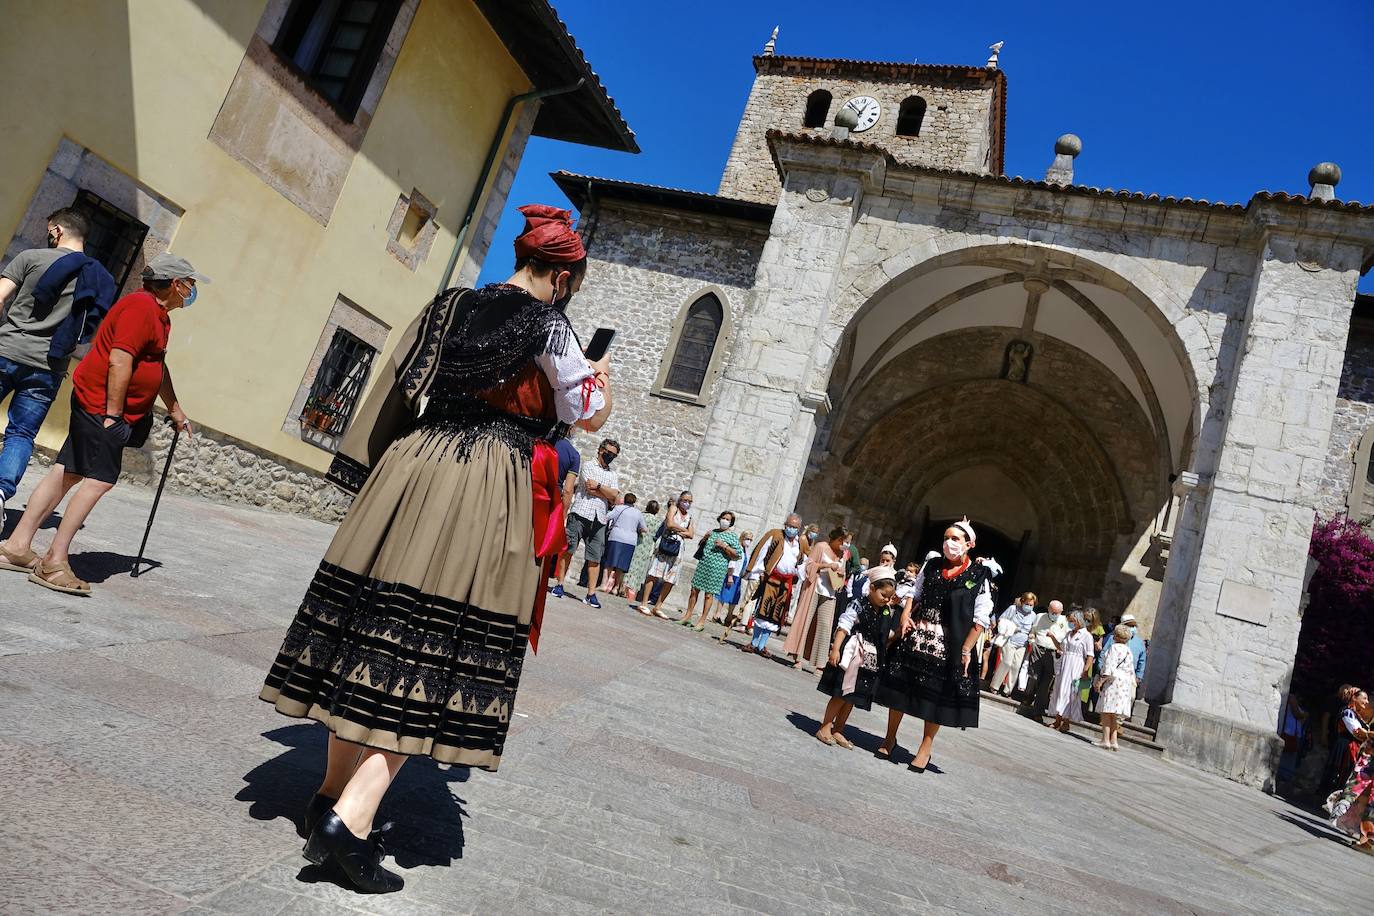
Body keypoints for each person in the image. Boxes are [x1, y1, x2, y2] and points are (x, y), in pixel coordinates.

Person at [258, 204, 612, 893]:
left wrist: (365, 467)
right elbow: (581, 412)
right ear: (563, 277)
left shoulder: (448, 305)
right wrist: (601, 378)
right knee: (436, 645)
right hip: (486, 478)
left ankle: (329, 795)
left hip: (413, 463)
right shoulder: (550, 324)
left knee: (373, 631)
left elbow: (397, 378)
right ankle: (350, 824)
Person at [0, 253, 197, 594]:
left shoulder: (159, 315)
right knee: (99, 480)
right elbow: (120, 360)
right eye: (190, 285)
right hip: (102, 406)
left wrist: (175, 408)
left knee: (68, 470)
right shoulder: (141, 308)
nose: (192, 293)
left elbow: (156, 366)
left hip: (100, 404)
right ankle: (54, 561)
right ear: (176, 284)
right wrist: (113, 415)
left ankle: (17, 547)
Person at [0, 208, 115, 523]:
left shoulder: (32, 257)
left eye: (49, 230)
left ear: (57, 229)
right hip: (48, 366)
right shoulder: (99, 275)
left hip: (6, 350)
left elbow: (0, 298)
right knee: (21, 434)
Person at [874, 518, 994, 772]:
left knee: (935, 696)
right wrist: (905, 616)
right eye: (946, 537)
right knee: (899, 687)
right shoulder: (932, 565)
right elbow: (914, 594)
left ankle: (924, 749)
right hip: (918, 633)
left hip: (947, 643)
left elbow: (981, 617)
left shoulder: (978, 575)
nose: (949, 543)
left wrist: (965, 649)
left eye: (955, 539)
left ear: (968, 545)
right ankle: (889, 737)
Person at [815, 564, 898, 748]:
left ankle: (839, 729)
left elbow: (883, 636)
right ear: (871, 588)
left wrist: (899, 632)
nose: (886, 600)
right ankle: (825, 726)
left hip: (867, 659)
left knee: (852, 696)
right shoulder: (858, 603)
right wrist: (835, 649)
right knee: (840, 693)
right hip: (851, 653)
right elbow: (844, 625)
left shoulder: (884, 611)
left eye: (889, 597)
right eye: (883, 595)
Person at [553, 437, 620, 607]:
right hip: (581, 512)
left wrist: (599, 487)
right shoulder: (588, 465)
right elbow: (590, 487)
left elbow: (615, 497)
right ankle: (559, 584)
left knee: (595, 557)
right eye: (608, 453)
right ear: (600, 450)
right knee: (569, 549)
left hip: (599, 517)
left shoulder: (613, 474)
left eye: (614, 455)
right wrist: (605, 491)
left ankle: (591, 594)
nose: (610, 456)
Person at [740, 514, 810, 656]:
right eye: (789, 525)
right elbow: (763, 551)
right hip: (771, 579)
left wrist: (801, 576)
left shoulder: (800, 543)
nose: (791, 529)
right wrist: (758, 571)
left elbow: (803, 561)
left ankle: (762, 645)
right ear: (785, 525)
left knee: (776, 614)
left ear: (799, 528)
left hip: (786, 583)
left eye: (795, 527)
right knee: (763, 611)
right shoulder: (775, 534)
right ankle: (753, 643)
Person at [784, 526, 849, 670]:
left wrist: (839, 576)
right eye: (844, 541)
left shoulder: (842, 554)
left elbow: (843, 572)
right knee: (806, 620)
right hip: (815, 588)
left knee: (825, 626)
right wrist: (826, 565)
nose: (846, 545)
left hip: (830, 593)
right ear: (838, 539)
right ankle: (798, 658)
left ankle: (820, 664)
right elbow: (809, 565)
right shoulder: (821, 547)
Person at [639, 490, 696, 618]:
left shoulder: (690, 517)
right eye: (685, 500)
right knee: (654, 573)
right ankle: (644, 603)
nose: (687, 503)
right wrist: (683, 530)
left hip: (678, 549)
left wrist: (680, 529)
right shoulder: (674, 509)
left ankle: (658, 606)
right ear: (680, 499)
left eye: (690, 501)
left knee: (671, 579)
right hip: (666, 544)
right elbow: (669, 524)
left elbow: (691, 534)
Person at [682, 510, 742, 630]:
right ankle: (687, 616)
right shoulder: (713, 531)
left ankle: (702, 621)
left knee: (709, 595)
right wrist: (705, 537)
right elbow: (701, 545)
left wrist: (724, 546)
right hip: (704, 564)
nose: (724, 521)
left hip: (718, 568)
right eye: (723, 518)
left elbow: (737, 554)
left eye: (728, 519)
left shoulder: (732, 536)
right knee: (694, 590)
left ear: (731, 523)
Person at [1021, 599, 1069, 722]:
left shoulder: (1064, 621)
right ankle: (1028, 696)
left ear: (1061, 612)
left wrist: (1061, 649)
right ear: (1048, 609)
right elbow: (1033, 632)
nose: (1054, 614)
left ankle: (1038, 710)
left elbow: (1065, 638)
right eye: (1052, 611)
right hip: (1038, 649)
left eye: (1057, 612)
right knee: (1034, 676)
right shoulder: (1040, 617)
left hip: (1053, 653)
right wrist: (1032, 639)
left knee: (1045, 683)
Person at [1049, 610, 1094, 732]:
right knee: (1060, 690)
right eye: (1069, 621)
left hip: (1076, 666)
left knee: (1071, 693)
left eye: (1072, 621)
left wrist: (1085, 670)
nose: (1070, 624)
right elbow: (1061, 647)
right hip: (1064, 664)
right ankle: (1057, 719)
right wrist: (1052, 637)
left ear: (1079, 621)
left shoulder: (1086, 636)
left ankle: (1066, 722)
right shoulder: (1068, 633)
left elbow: (1090, 655)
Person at [1095, 624, 1138, 751]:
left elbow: (1110, 666)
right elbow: (1131, 670)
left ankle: (1105, 739)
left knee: (1107, 711)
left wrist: (1100, 681)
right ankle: (1114, 741)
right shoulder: (1128, 651)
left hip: (1113, 682)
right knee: (1115, 714)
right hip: (1124, 683)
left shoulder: (1114, 648)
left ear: (1116, 636)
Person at [988, 592, 1037, 696]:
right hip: (1010, 639)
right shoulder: (1013, 609)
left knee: (1016, 666)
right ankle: (995, 686)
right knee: (1006, 662)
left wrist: (1032, 635)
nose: (1028, 607)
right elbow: (1002, 619)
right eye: (1027, 604)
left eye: (1031, 605)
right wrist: (1011, 627)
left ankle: (1008, 690)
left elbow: (1033, 629)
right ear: (1022, 602)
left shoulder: (1033, 615)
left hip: (1022, 644)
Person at [600, 492, 646, 597]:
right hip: (630, 540)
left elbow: (606, 517)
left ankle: (604, 584)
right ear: (634, 502)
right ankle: (616, 588)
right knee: (622, 565)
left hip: (616, 536)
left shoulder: (618, 508)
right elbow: (644, 528)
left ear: (624, 499)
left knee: (610, 562)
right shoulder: (638, 513)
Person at [714, 528, 753, 636]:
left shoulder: (745, 551)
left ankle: (729, 616)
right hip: (733, 575)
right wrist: (730, 576)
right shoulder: (738, 548)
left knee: (734, 598)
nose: (748, 541)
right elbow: (732, 562)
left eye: (750, 539)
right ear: (742, 538)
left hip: (739, 577)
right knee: (724, 595)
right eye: (747, 539)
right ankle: (717, 615)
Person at [624, 498, 660, 603]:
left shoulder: (642, 516)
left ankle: (624, 589)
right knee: (640, 571)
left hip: (637, 544)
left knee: (630, 568)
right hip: (648, 548)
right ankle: (632, 594)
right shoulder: (657, 522)